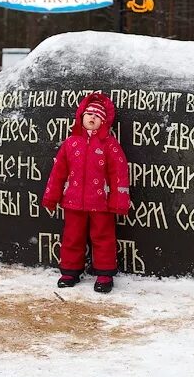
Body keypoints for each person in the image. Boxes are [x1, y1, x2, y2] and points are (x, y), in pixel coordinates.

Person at [42, 92, 131, 293]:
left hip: (101, 202)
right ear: (81, 116)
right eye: (89, 114)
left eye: (98, 115)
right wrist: (51, 197)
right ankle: (70, 271)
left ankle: (104, 273)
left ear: (104, 121)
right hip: (73, 201)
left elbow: (119, 172)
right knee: (72, 236)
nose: (92, 118)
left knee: (103, 237)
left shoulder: (109, 145)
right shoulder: (70, 144)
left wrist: (119, 201)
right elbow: (58, 173)